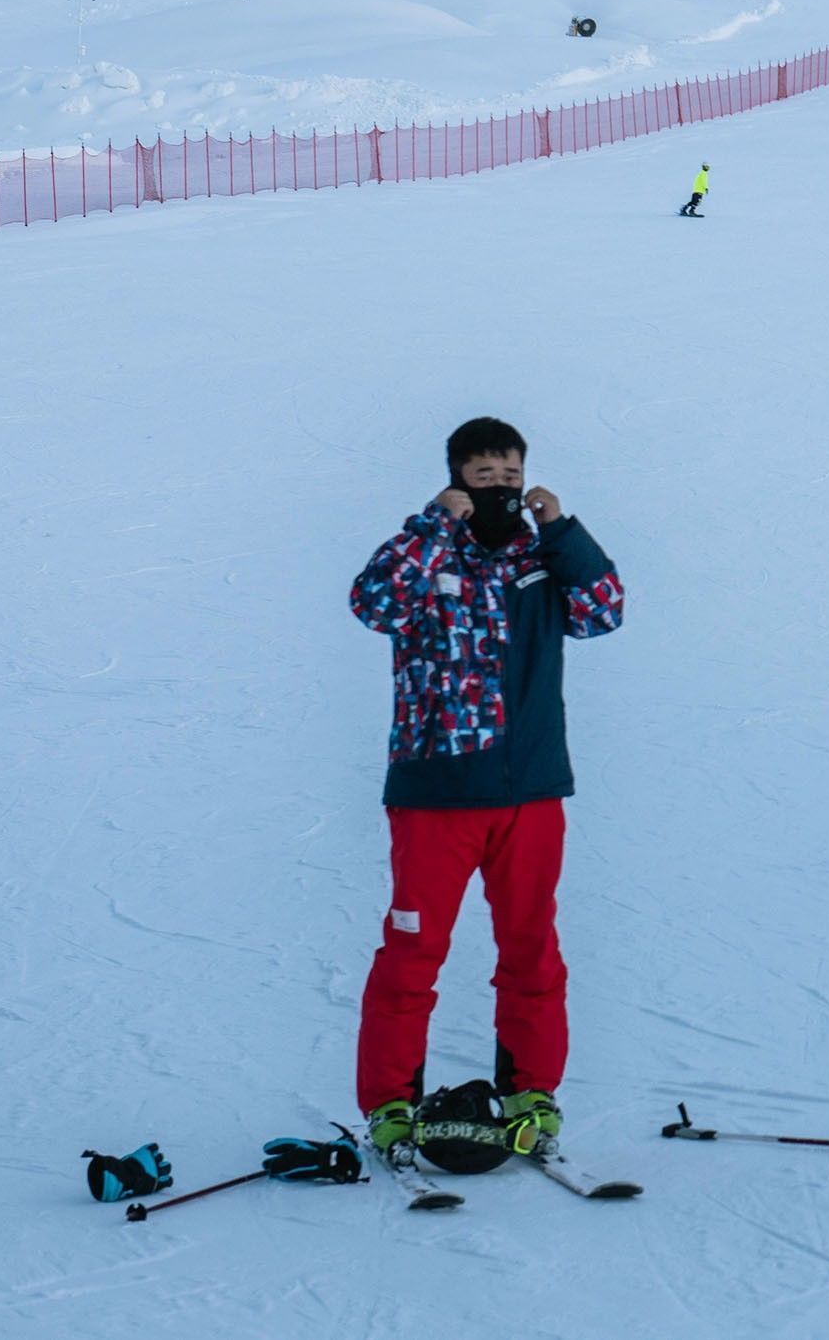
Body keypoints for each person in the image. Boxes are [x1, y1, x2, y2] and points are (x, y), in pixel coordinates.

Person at [350, 417, 626, 1169]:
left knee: (532, 949)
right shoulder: (429, 556)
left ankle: (532, 1094)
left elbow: (604, 610)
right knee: (413, 954)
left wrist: (561, 526)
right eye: (483, 478)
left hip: (530, 791)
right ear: (456, 480)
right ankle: (391, 1107)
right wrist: (436, 522)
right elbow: (372, 602)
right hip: (436, 794)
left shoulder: (542, 561)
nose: (499, 490)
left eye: (510, 477)